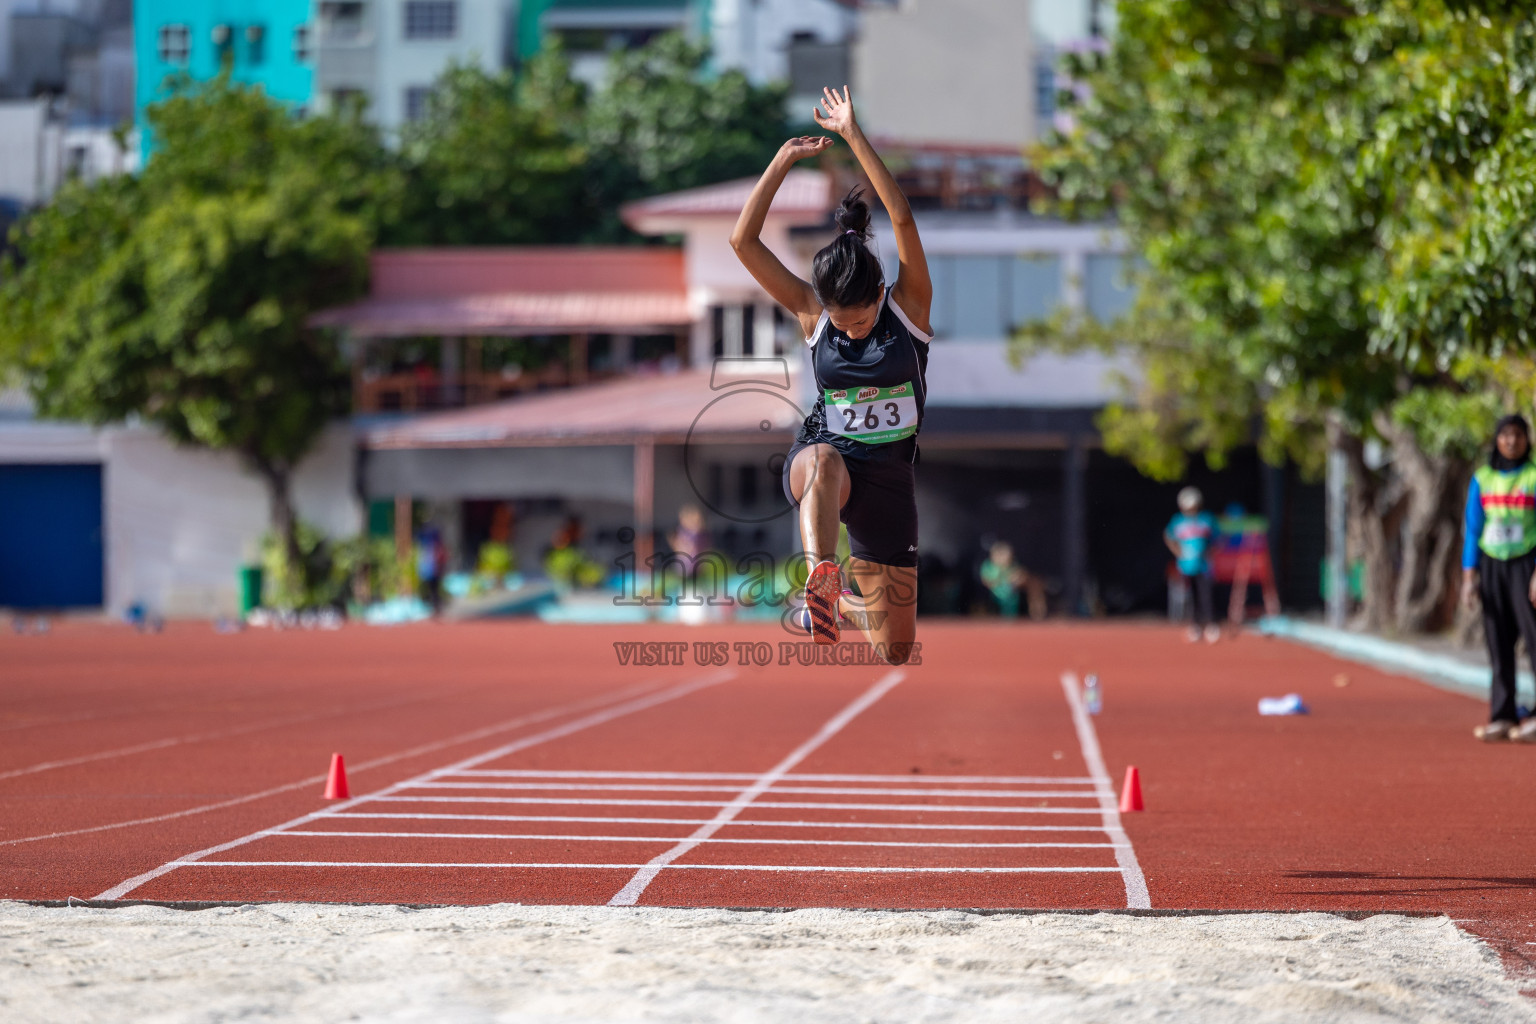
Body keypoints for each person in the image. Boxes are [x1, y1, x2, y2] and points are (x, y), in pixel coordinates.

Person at [730, 86, 932, 665]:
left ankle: (840, 604)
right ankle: (820, 574)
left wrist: (851, 133)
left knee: (896, 650)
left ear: (880, 296)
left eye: (863, 319)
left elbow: (900, 216)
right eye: (843, 324)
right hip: (827, 463)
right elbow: (743, 242)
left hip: (890, 478)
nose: (855, 331)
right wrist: (782, 161)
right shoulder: (814, 316)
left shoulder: (909, 308)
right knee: (823, 458)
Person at [1462, 414, 1536, 742]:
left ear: (1526, 440)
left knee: (1534, 638)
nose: (1511, 441)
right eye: (1505, 435)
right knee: (1498, 641)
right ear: (1496, 439)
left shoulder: (1534, 476)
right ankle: (1503, 714)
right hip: (1492, 565)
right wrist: (1469, 577)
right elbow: (1472, 530)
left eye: (1517, 435)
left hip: (1526, 563)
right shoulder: (1482, 478)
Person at [1165, 487, 1220, 642]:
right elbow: (1168, 536)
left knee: (1207, 595)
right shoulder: (1178, 521)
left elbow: (1218, 539)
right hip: (1186, 567)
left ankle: (1211, 626)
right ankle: (1195, 626)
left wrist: (1211, 553)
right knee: (1192, 597)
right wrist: (1178, 552)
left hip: (1204, 566)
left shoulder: (1206, 519)